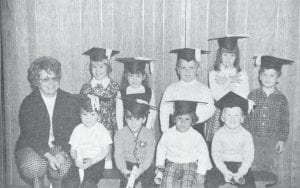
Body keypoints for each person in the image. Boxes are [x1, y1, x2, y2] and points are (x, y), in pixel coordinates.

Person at [15, 56, 80, 188]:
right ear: (37, 81)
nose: (51, 83)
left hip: (59, 146)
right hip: (32, 147)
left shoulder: (69, 100)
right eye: (45, 79)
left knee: (63, 167)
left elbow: (74, 132)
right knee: (35, 167)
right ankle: (41, 183)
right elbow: (30, 136)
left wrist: (64, 152)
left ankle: (56, 183)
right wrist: (49, 157)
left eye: (54, 78)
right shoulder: (29, 103)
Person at [244, 55, 293, 175]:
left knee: (269, 171)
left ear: (278, 78)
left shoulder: (281, 99)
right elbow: (246, 117)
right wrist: (245, 137)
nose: (268, 78)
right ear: (260, 77)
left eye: (272, 75)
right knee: (252, 168)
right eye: (264, 74)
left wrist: (282, 139)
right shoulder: (252, 96)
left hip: (272, 140)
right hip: (253, 139)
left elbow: (284, 121)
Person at [155, 100, 212, 188]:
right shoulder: (168, 134)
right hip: (172, 162)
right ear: (174, 119)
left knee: (187, 184)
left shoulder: (196, 136)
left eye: (187, 119)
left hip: (189, 164)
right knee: (166, 183)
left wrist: (201, 172)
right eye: (179, 118)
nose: (183, 122)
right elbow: (161, 148)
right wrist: (160, 163)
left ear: (192, 121)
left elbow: (203, 154)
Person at [159, 48, 215, 135]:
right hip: (174, 131)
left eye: (191, 68)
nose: (187, 71)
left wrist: (193, 120)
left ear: (197, 70)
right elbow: (164, 111)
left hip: (196, 131)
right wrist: (165, 132)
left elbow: (210, 109)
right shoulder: (171, 89)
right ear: (177, 70)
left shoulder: (204, 90)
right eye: (183, 67)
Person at [205, 92, 255, 188]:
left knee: (249, 185)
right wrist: (225, 172)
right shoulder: (218, 134)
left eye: (236, 115)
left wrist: (241, 172)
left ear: (242, 119)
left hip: (241, 166)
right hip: (221, 166)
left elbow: (249, 157)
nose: (232, 118)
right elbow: (216, 155)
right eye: (229, 115)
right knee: (210, 183)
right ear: (222, 117)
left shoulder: (246, 135)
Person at [80, 47, 120, 169]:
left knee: (106, 140)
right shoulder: (86, 87)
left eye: (101, 67)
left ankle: (107, 159)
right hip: (90, 123)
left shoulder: (114, 86)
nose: (97, 71)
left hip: (108, 123)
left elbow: (118, 108)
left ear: (108, 67)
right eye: (94, 67)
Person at [206, 35, 250, 142]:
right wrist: (231, 81)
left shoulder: (242, 74)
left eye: (232, 55)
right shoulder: (213, 74)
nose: (228, 59)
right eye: (225, 55)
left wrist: (225, 82)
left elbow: (243, 94)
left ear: (237, 56)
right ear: (219, 55)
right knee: (218, 145)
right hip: (220, 114)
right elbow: (218, 96)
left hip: (236, 114)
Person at [69, 95, 112, 188]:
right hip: (80, 160)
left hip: (96, 161)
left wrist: (92, 161)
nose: (88, 118)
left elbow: (105, 150)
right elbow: (73, 149)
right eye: (84, 114)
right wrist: (76, 158)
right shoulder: (77, 129)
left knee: (88, 183)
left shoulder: (101, 130)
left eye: (92, 114)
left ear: (98, 115)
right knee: (71, 181)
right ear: (79, 115)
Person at [114, 98, 156, 188]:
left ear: (144, 119)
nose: (133, 123)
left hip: (145, 164)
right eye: (130, 119)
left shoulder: (149, 134)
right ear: (125, 119)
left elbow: (149, 156)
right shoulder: (120, 134)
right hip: (127, 164)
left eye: (137, 119)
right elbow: (118, 155)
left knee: (150, 184)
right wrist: (124, 170)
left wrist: (141, 169)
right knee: (126, 184)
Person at [116, 57, 157, 131]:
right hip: (127, 129)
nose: (134, 79)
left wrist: (147, 129)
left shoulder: (149, 92)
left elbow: (152, 112)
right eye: (131, 76)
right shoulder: (121, 93)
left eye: (138, 76)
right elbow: (119, 115)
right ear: (126, 76)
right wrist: (121, 132)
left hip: (145, 128)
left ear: (143, 76)